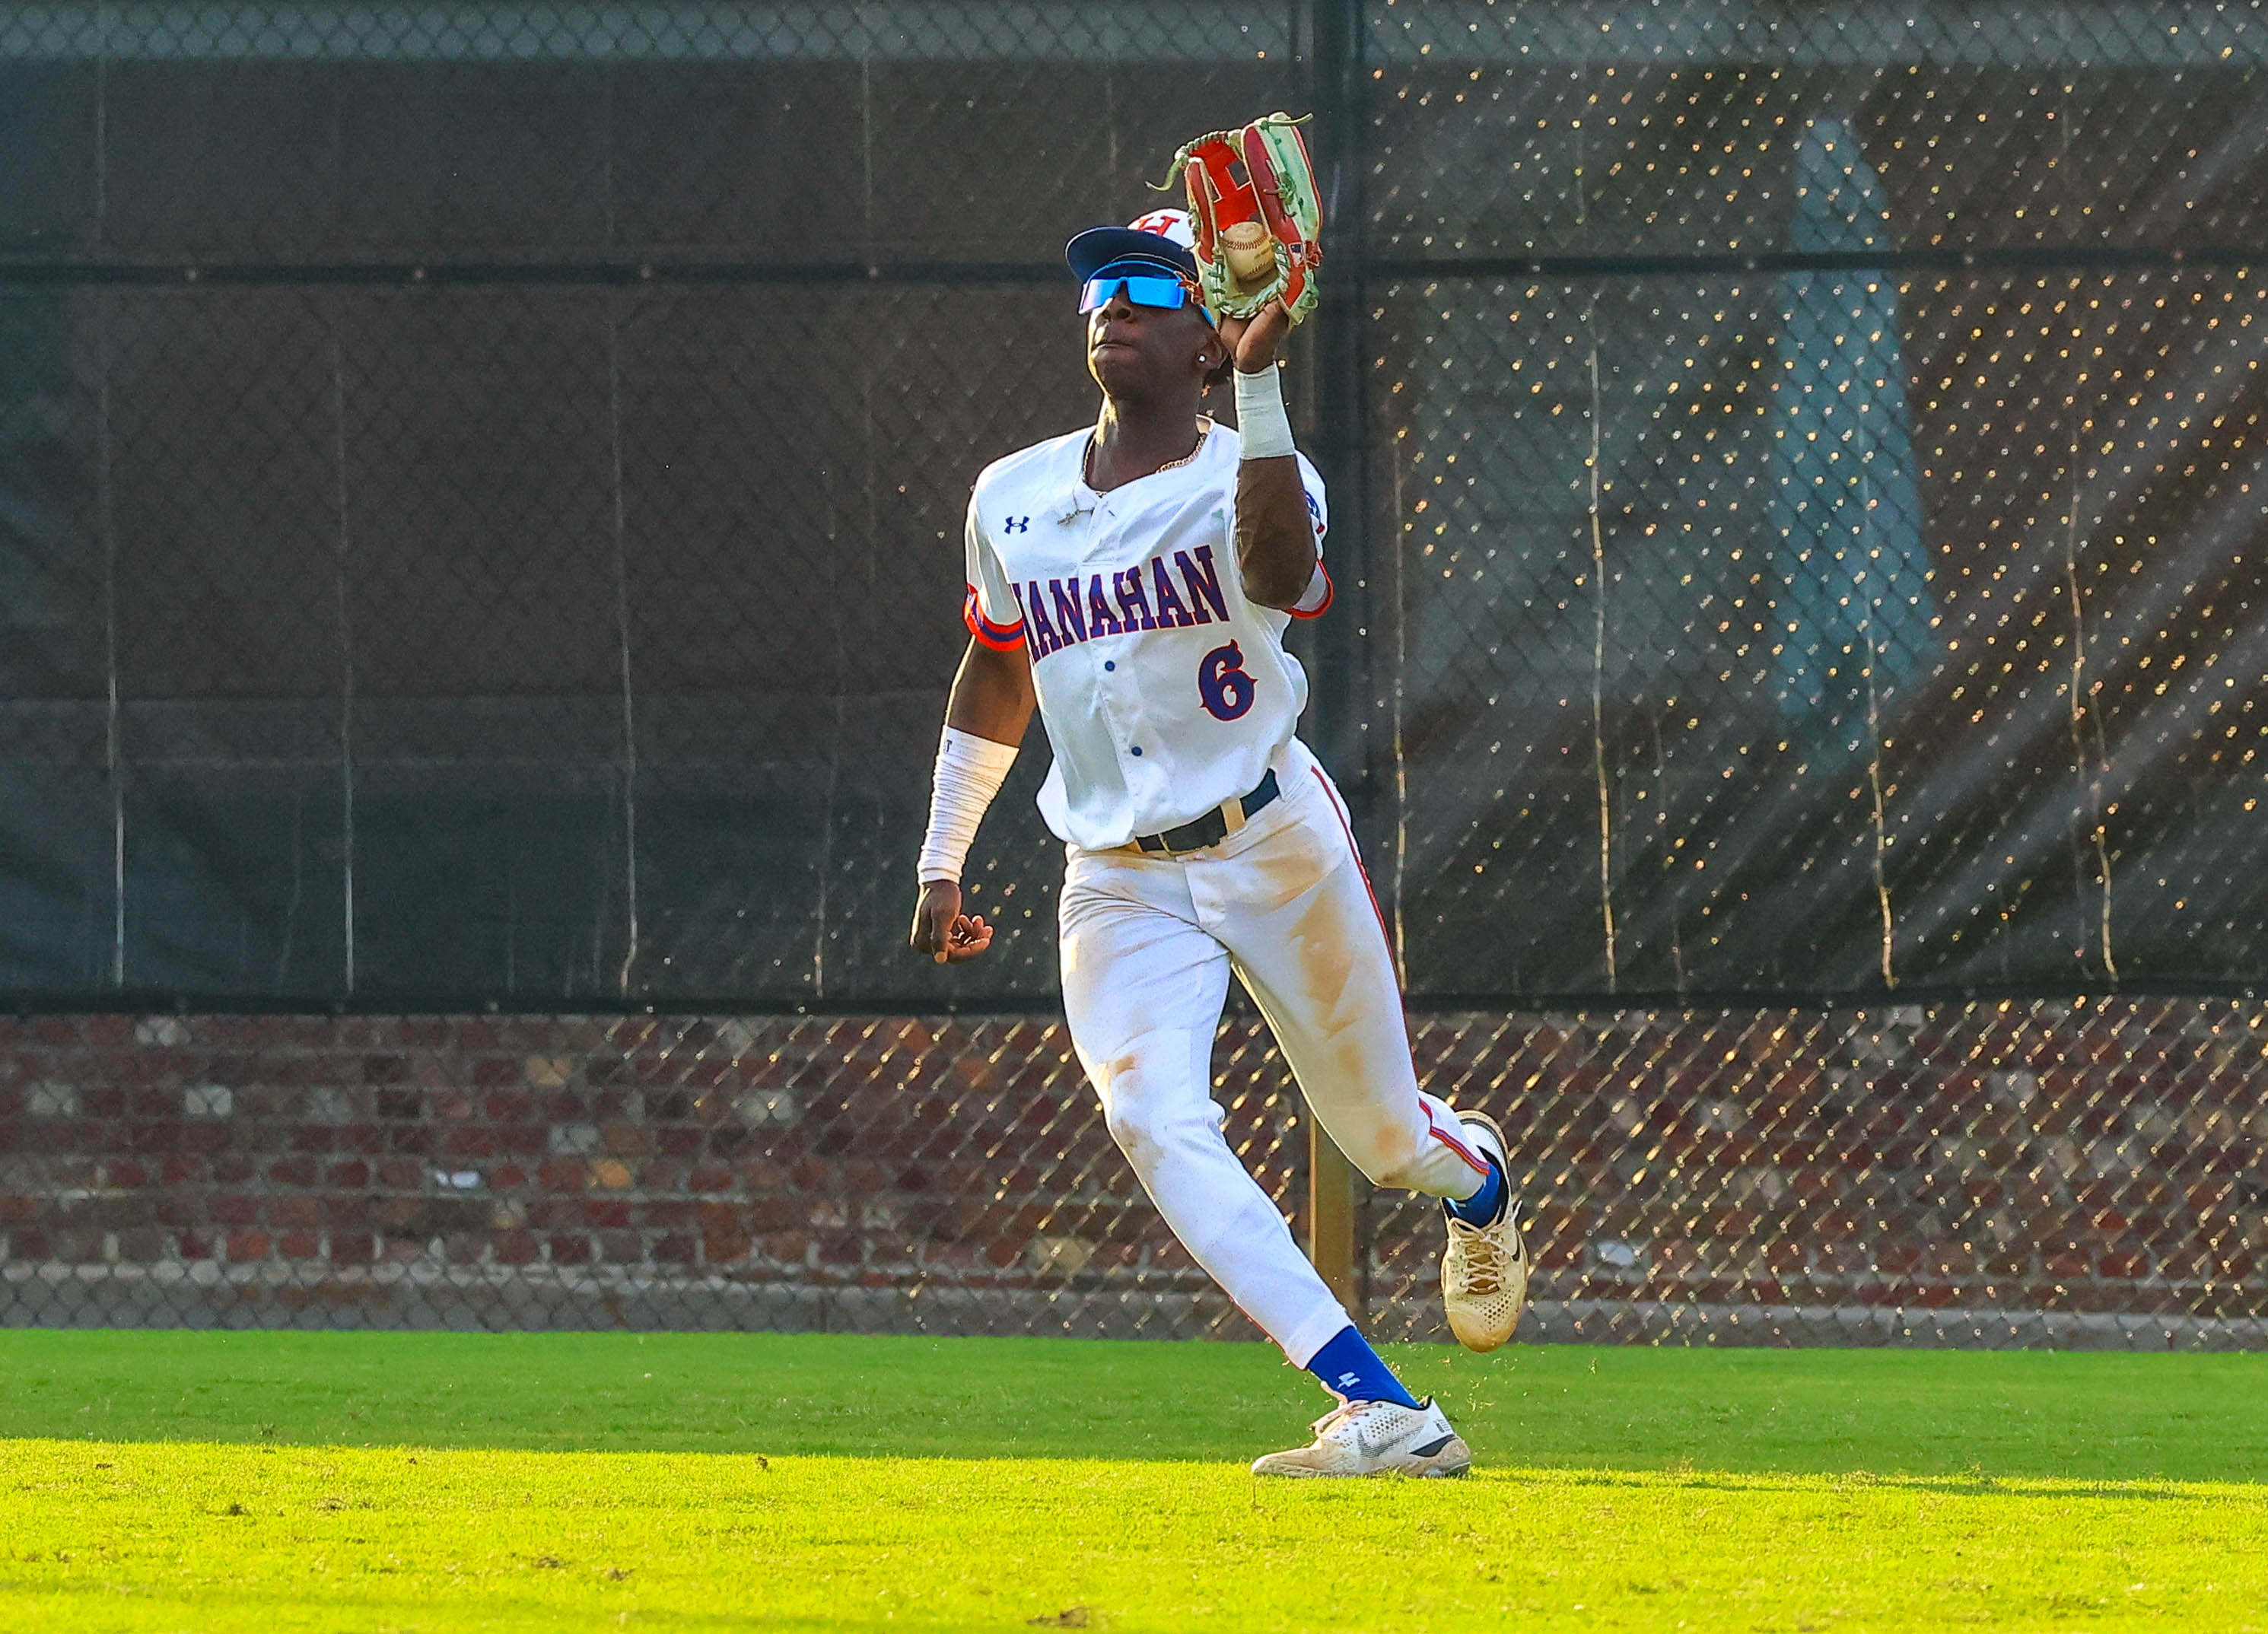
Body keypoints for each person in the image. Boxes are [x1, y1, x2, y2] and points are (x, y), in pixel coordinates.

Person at [908, 209, 1527, 1477]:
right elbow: (994, 668)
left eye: (1151, 287)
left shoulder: (1262, 463)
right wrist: (941, 853)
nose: (1114, 304)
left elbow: (1282, 573)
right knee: (1150, 1118)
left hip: (1271, 844)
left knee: (1380, 1142)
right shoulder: (1010, 496)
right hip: (1117, 879)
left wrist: (1261, 383)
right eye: (1099, 287)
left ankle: (1477, 1184)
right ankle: (1378, 1405)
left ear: (1207, 339)